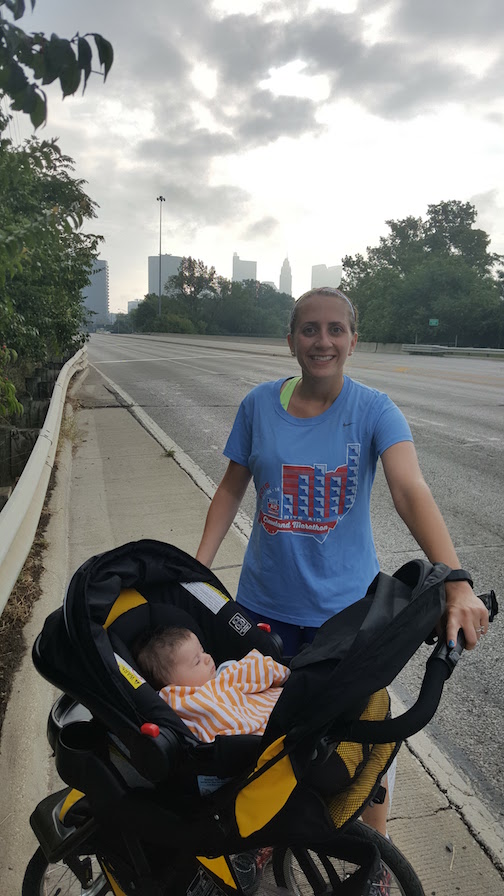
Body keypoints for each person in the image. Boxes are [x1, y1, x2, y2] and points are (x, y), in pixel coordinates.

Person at [195, 285, 489, 835]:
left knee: (364, 740)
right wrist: (198, 570)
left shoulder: (374, 409)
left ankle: (373, 853)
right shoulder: (258, 405)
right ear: (291, 341)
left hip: (348, 617)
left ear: (353, 341)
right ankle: (260, 834)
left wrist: (455, 580)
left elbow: (410, 490)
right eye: (310, 329)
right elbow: (232, 488)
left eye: (336, 330)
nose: (322, 340)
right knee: (263, 734)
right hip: (265, 609)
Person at [134, 625, 291, 743]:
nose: (207, 657)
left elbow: (260, 670)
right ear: (173, 686)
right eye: (197, 661)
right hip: (266, 734)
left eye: (202, 651)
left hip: (283, 704)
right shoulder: (183, 701)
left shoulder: (225, 676)